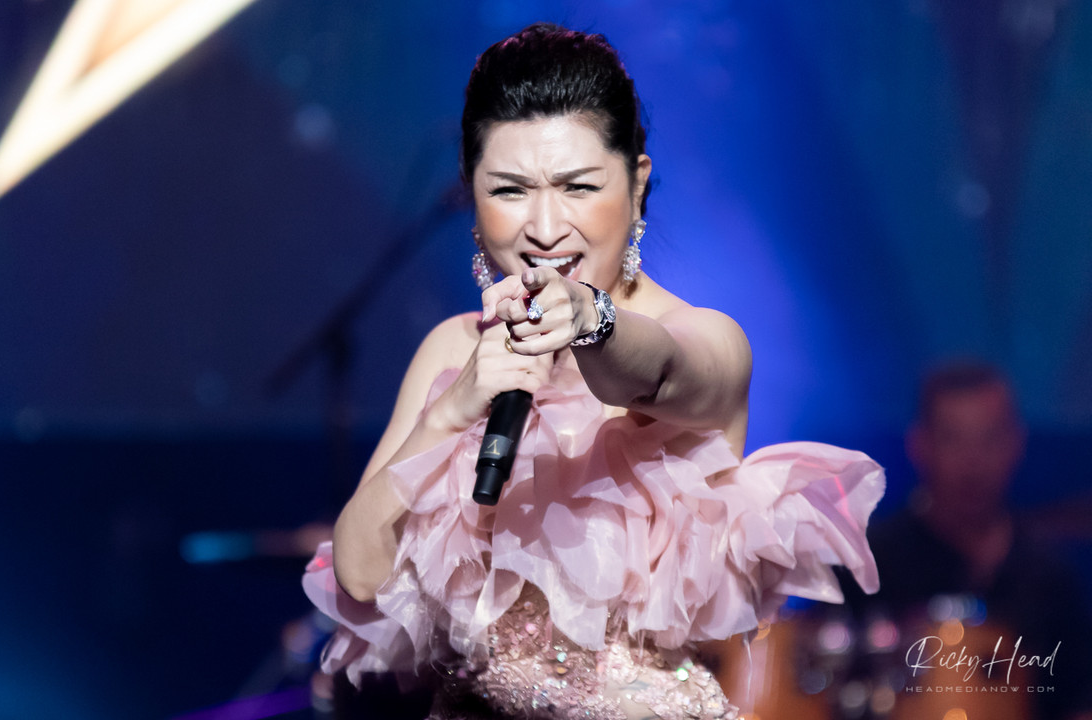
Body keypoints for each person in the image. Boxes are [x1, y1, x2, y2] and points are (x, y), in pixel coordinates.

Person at [302, 23, 885, 720]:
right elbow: (361, 577)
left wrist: (592, 318)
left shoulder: (706, 338)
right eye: (510, 190)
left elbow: (658, 370)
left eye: (578, 187)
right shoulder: (454, 349)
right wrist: (451, 410)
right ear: (471, 194)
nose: (546, 228)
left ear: (636, 185)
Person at [841, 362, 1092, 720]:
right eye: (953, 439)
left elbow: (1078, 700)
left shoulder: (1050, 577)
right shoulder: (867, 562)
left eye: (989, 439)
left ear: (1016, 444)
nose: (972, 460)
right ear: (919, 445)